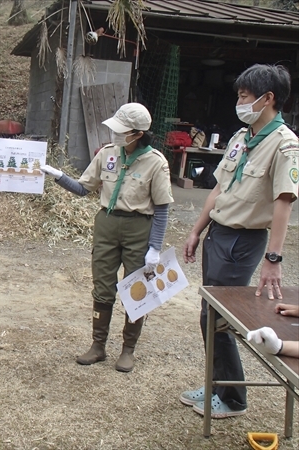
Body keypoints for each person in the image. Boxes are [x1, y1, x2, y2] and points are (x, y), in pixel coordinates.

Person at [180, 64, 299, 419]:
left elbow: (284, 202)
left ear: (268, 98)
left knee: (219, 318)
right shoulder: (240, 138)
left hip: (243, 241)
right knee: (208, 314)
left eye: (245, 96)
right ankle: (218, 384)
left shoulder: (285, 145)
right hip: (219, 234)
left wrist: (273, 258)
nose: (240, 102)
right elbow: (218, 188)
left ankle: (233, 398)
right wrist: (196, 230)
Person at [41, 103, 174, 372]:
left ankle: (128, 350)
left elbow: (162, 208)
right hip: (107, 224)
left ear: (138, 133)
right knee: (102, 285)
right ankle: (98, 346)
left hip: (139, 228)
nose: (115, 135)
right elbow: (83, 188)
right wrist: (57, 175)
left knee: (137, 289)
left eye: (121, 131)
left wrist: (155, 248)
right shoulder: (107, 154)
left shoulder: (156, 163)